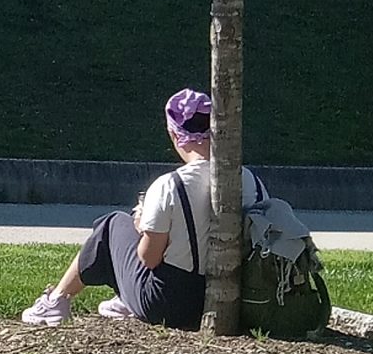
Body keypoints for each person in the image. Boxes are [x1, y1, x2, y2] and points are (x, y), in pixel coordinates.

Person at [21, 88, 264, 331]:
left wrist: (141, 226)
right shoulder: (251, 180)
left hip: (171, 304)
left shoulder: (170, 185)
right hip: (237, 302)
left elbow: (148, 259)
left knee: (112, 224)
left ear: (174, 134)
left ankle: (57, 300)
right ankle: (123, 299)